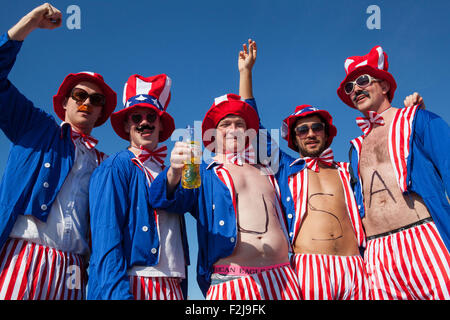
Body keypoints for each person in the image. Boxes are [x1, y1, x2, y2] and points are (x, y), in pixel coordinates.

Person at [0, 3, 117, 299]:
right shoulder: (35, 127)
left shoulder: (105, 164)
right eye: (79, 95)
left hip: (74, 267)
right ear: (64, 102)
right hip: (23, 254)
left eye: (96, 99)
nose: (86, 103)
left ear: (101, 112)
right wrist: (27, 25)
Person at [238, 39, 369, 299]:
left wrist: (413, 110)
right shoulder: (287, 169)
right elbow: (253, 129)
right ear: (294, 139)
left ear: (327, 134)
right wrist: (246, 73)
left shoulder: (347, 170)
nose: (310, 133)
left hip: (356, 267)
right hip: (310, 267)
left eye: (316, 127)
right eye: (302, 129)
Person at [148, 93, 300, 299]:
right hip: (233, 282)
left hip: (283, 278)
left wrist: (245, 74)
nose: (234, 130)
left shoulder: (268, 170)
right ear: (213, 134)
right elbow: (163, 200)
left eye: (240, 124)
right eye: (225, 124)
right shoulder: (203, 172)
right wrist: (174, 171)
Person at [337, 45, 450, 299]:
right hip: (378, 254)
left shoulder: (418, 120)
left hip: (423, 239)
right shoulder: (355, 147)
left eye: (363, 81)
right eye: (349, 87)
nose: (355, 89)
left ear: (385, 86)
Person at [87, 74, 189, 300]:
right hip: (133, 282)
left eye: (151, 116)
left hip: (173, 284)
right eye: (136, 117)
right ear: (126, 124)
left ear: (160, 123)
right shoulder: (114, 167)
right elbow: (106, 238)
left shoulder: (171, 170)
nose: (144, 122)